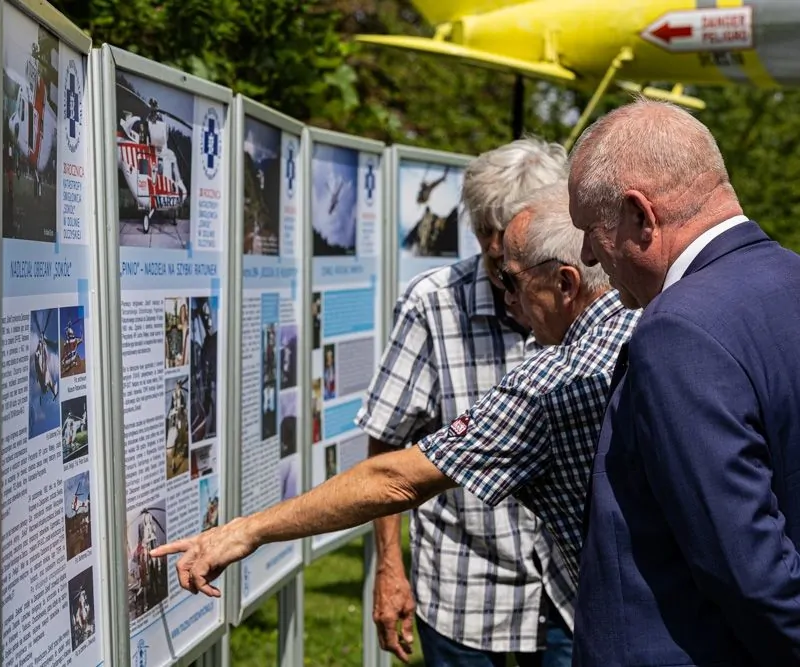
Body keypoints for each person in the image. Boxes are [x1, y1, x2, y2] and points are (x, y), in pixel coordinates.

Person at [151, 180, 640, 658]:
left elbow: (393, 482)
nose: (507, 298)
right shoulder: (646, 320)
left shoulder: (552, 385)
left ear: (566, 282)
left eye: (512, 281)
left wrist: (246, 531)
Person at [568, 98, 800, 666]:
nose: (584, 255)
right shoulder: (791, 278)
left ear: (639, 215)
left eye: (589, 232)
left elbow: (745, 567)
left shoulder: (677, 330)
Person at [356, 138, 571, 667]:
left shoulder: (582, 291)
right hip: (465, 592)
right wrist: (389, 568)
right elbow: (387, 442)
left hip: (571, 589)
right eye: (502, 264)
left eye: (530, 262)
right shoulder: (433, 303)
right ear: (480, 234)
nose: (512, 283)